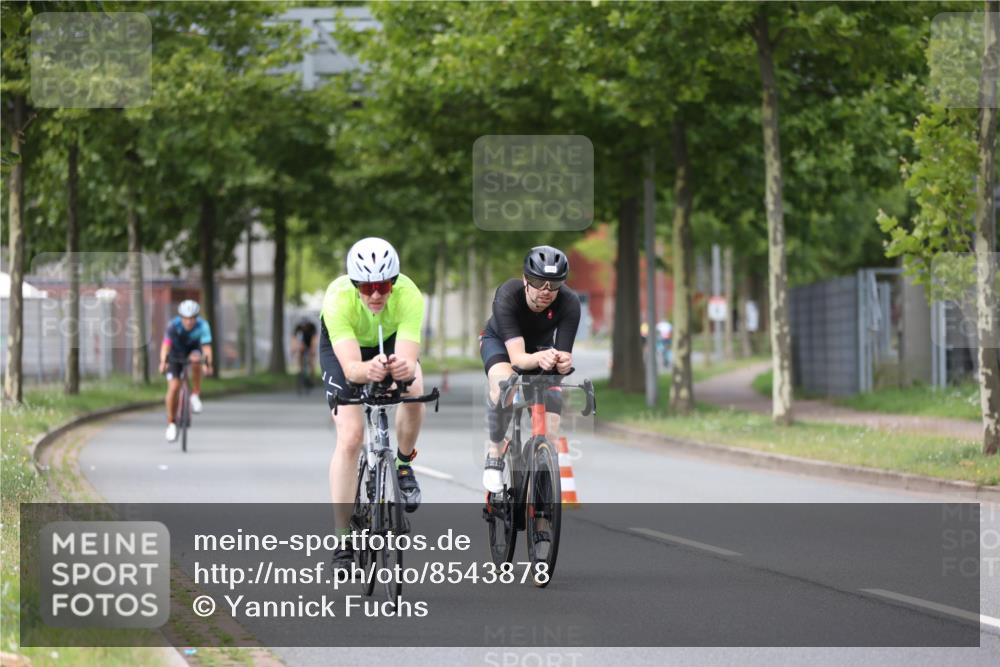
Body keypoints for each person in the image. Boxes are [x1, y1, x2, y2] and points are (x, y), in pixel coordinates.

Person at [320, 237, 426, 569]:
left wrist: (397, 372)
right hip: (346, 353)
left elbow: (407, 363)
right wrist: (371, 370)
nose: (376, 294)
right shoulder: (337, 300)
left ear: (394, 282)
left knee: (415, 388)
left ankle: (404, 465)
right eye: (366, 288)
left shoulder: (409, 295)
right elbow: (352, 369)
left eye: (382, 286)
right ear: (355, 285)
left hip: (391, 343)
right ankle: (342, 538)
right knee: (351, 436)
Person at [479, 245, 581, 493]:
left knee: (552, 429)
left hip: (540, 349)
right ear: (525, 279)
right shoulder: (507, 294)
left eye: (554, 284)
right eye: (538, 282)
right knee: (506, 384)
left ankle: (543, 507)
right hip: (502, 344)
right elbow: (518, 360)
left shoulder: (569, 303)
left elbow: (563, 356)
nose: (546, 290)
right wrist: (542, 358)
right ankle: (495, 452)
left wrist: (563, 363)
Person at [159, 300, 214, 442]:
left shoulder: (203, 326)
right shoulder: (173, 325)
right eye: (186, 318)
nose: (189, 321)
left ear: (197, 317)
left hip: (193, 350)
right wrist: (163, 362)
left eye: (192, 318)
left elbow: (206, 347)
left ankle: (195, 394)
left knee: (196, 360)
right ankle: (171, 423)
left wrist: (208, 364)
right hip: (175, 353)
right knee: (174, 387)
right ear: (181, 317)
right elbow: (165, 346)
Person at [291, 316, 318, 386]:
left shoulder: (312, 327)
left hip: (310, 343)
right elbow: (294, 339)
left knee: (311, 360)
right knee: (299, 355)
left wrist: (313, 350)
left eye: (306, 326)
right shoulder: (298, 327)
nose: (304, 327)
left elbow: (314, 339)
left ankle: (312, 377)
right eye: (303, 326)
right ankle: (300, 370)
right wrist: (293, 348)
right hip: (302, 343)